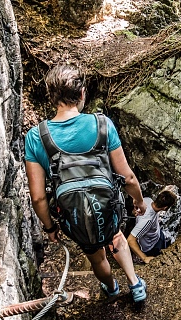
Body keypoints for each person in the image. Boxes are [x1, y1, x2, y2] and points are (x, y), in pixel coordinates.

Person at [24, 64, 148, 302]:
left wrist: (50, 228)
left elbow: (38, 197)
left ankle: (111, 287)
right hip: (107, 204)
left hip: (74, 215)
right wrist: (139, 201)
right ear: (82, 94)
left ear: (51, 97)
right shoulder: (102, 125)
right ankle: (135, 285)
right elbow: (128, 177)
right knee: (116, 236)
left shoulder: (36, 137)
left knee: (96, 256)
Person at [127, 185, 178, 264]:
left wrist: (134, 212)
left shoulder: (147, 200)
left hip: (157, 235)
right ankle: (138, 259)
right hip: (151, 246)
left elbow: (135, 210)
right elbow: (130, 240)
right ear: (165, 208)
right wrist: (144, 258)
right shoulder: (148, 221)